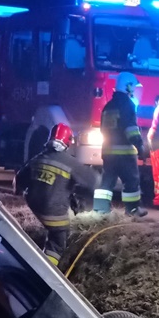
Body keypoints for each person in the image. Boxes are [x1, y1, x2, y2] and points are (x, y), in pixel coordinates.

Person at [15, 122, 97, 265]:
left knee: (65, 190)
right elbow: (93, 182)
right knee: (58, 241)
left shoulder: (38, 158)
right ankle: (45, 270)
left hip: (34, 204)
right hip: (53, 210)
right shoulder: (70, 163)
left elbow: (19, 181)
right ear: (68, 142)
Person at [93, 72, 147, 217]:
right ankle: (132, 210)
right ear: (128, 86)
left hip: (108, 153)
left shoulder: (108, 106)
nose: (135, 90)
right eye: (133, 87)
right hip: (124, 153)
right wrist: (140, 146)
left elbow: (103, 129)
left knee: (106, 182)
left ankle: (100, 211)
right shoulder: (128, 105)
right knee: (131, 181)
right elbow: (131, 130)